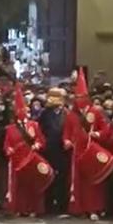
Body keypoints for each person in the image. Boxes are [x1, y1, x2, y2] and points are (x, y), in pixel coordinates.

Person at [63, 69, 113, 221]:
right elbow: (66, 132)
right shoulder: (71, 115)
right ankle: (78, 208)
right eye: (77, 97)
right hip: (77, 152)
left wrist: (97, 134)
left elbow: (105, 129)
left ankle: (94, 209)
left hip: (91, 150)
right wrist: (66, 141)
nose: (80, 100)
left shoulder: (96, 112)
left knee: (93, 181)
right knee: (78, 181)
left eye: (82, 97)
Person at [4, 84, 49, 217]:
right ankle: (18, 208)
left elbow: (41, 140)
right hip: (17, 159)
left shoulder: (34, 125)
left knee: (32, 184)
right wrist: (9, 150)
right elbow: (6, 144)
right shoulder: (10, 128)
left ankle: (33, 208)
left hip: (31, 158)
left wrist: (37, 145)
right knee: (19, 185)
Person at [39, 88, 70, 216]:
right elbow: (40, 130)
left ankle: (63, 206)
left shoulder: (67, 113)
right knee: (49, 177)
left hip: (63, 150)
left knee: (62, 178)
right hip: (49, 150)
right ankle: (48, 206)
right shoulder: (45, 113)